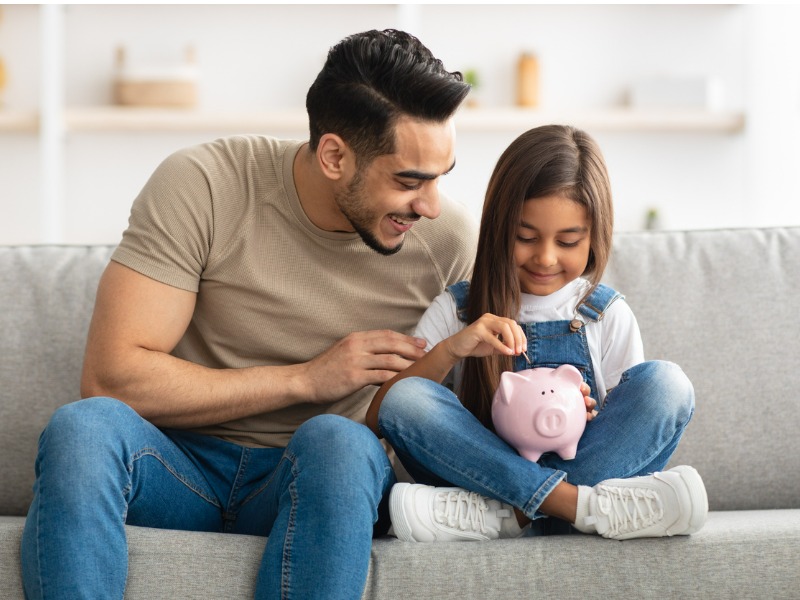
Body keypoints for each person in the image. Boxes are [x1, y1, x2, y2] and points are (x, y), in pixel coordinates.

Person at [20, 29, 477, 599]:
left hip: (312, 476)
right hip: (175, 465)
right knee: (82, 429)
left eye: (441, 176)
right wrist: (307, 378)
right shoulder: (205, 185)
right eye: (409, 181)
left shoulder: (448, 240)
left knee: (341, 443)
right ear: (334, 155)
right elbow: (111, 377)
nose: (430, 205)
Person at [366, 124, 708, 542]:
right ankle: (574, 508)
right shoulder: (458, 309)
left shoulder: (606, 314)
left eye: (567, 241)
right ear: (498, 229)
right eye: (525, 237)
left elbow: (624, 432)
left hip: (504, 491)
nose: (545, 258)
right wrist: (452, 350)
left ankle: (508, 516)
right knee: (408, 396)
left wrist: (590, 412)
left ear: (594, 238)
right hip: (479, 474)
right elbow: (382, 414)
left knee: (666, 385)